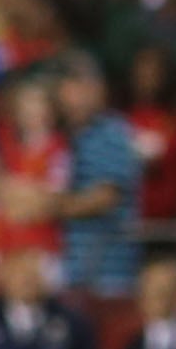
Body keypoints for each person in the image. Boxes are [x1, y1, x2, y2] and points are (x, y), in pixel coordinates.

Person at [52, 53, 142, 300]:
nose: (78, 97)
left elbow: (105, 198)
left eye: (87, 87)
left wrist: (47, 206)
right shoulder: (63, 136)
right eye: (71, 88)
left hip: (108, 272)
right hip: (71, 271)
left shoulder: (112, 132)